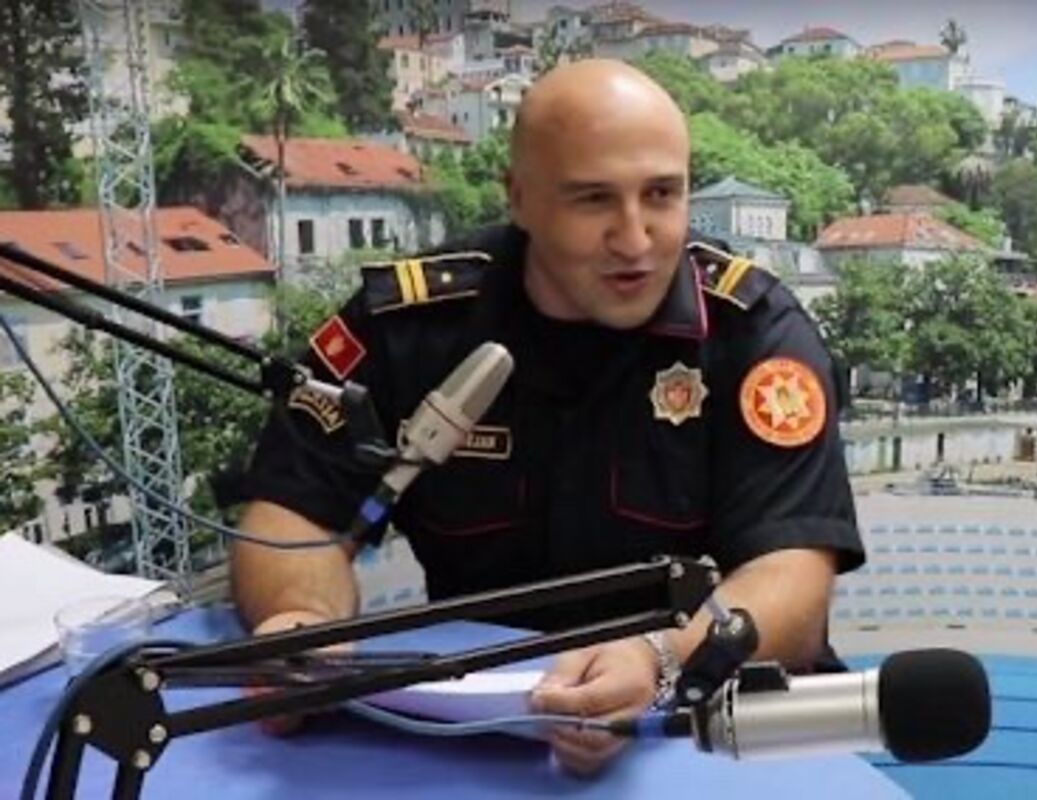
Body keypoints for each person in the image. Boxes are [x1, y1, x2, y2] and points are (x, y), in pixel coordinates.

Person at [232, 58, 865, 776]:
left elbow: (791, 581)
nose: (635, 239)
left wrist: (659, 660)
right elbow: (294, 514)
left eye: (662, 194)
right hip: (474, 741)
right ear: (520, 198)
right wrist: (301, 625)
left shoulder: (754, 335)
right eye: (594, 200)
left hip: (710, 728)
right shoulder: (411, 329)